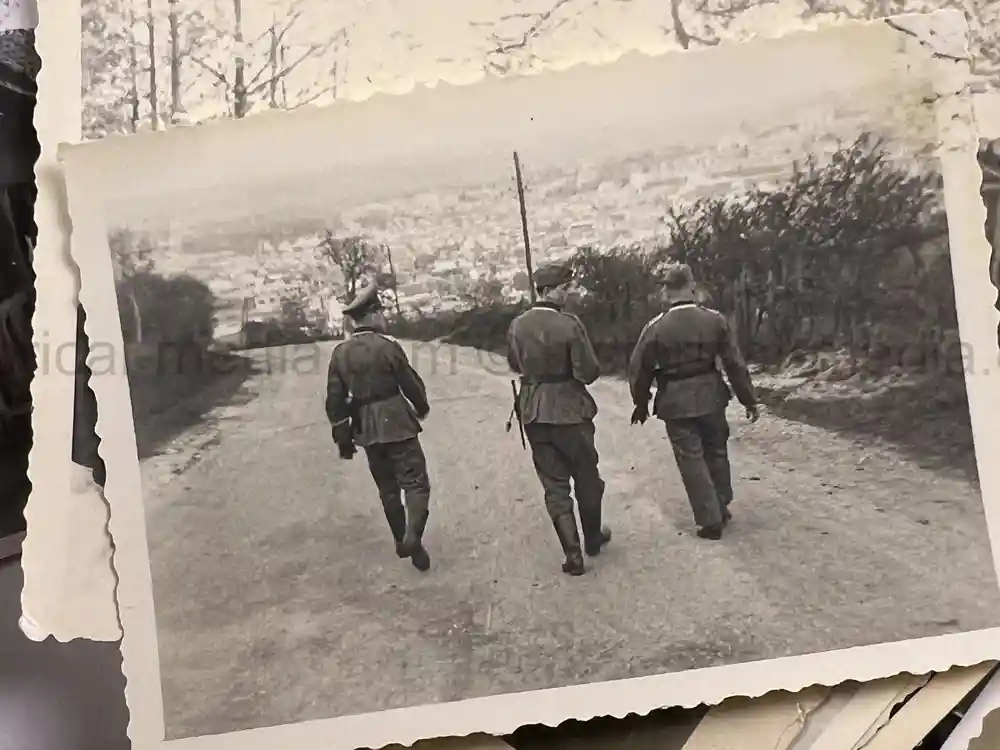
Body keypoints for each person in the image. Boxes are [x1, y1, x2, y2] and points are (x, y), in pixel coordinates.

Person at [628, 263, 760, 541]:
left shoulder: (654, 328)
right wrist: (749, 399)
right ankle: (721, 503)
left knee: (690, 459)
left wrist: (640, 403)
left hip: (674, 400)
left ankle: (709, 519)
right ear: (692, 287)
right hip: (712, 395)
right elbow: (734, 364)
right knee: (716, 449)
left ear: (666, 291)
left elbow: (639, 371)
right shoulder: (715, 320)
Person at [506, 260, 611, 576]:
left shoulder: (517, 325)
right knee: (587, 476)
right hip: (570, 410)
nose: (570, 293)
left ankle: (572, 554)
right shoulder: (570, 324)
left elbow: (514, 364)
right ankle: (592, 538)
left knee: (554, 484)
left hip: (533, 412)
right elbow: (588, 372)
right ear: (548, 290)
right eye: (565, 288)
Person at [325, 282, 434, 572]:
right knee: (415, 483)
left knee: (387, 489)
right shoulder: (388, 347)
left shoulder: (340, 353)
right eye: (380, 312)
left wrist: (342, 436)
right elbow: (409, 382)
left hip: (367, 429)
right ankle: (413, 535)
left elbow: (334, 401)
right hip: (397, 421)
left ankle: (405, 541)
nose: (383, 317)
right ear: (372, 315)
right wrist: (421, 407)